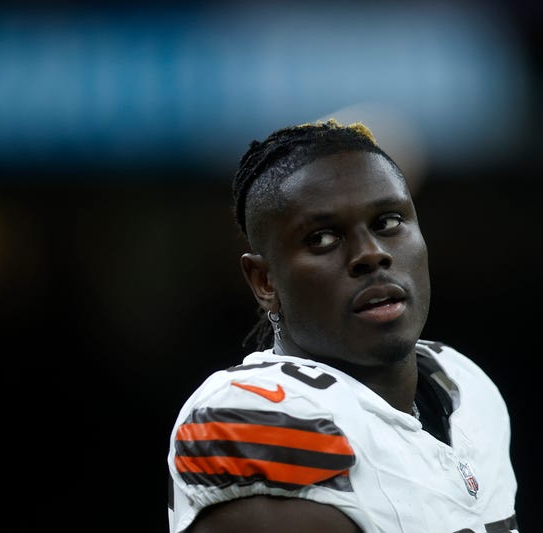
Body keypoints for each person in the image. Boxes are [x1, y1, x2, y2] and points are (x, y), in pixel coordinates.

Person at [166, 119, 520, 532]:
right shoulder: (257, 414)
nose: (371, 254)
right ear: (265, 281)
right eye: (322, 238)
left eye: (388, 222)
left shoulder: (464, 385)